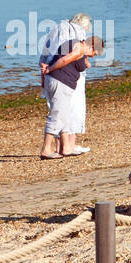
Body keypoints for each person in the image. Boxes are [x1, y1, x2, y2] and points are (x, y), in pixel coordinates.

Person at [39, 13, 92, 159]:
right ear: (85, 26)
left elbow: (44, 55)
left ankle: (62, 147)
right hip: (63, 76)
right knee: (67, 110)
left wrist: (44, 72)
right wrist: (84, 63)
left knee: (57, 109)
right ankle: (56, 148)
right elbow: (69, 58)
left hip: (50, 74)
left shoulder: (55, 29)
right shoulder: (78, 33)